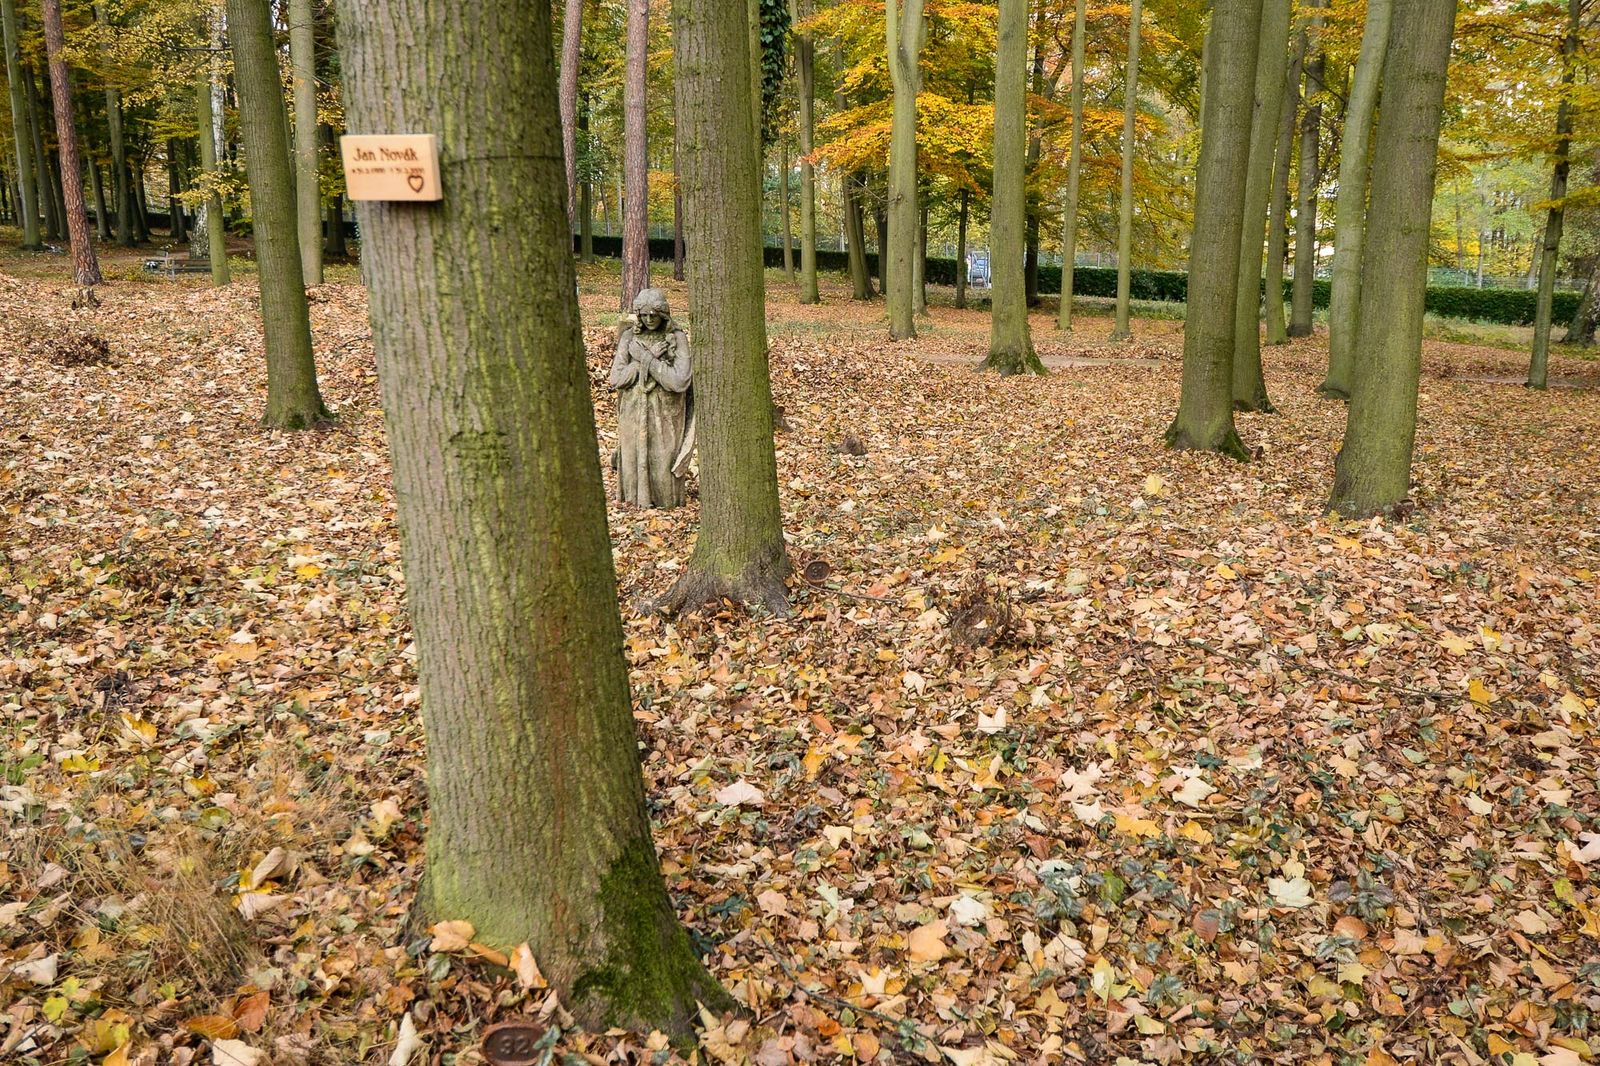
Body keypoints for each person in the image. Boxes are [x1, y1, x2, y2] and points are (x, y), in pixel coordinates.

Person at [609, 288, 694, 508]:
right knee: (633, 457)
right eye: (644, 315)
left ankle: (665, 501)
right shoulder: (629, 338)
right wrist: (642, 362)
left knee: (662, 460)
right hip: (633, 409)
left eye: (654, 315)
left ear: (663, 314)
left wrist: (647, 359)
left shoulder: (676, 338)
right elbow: (616, 379)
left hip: (665, 412)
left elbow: (679, 381)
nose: (649, 319)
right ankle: (634, 499)